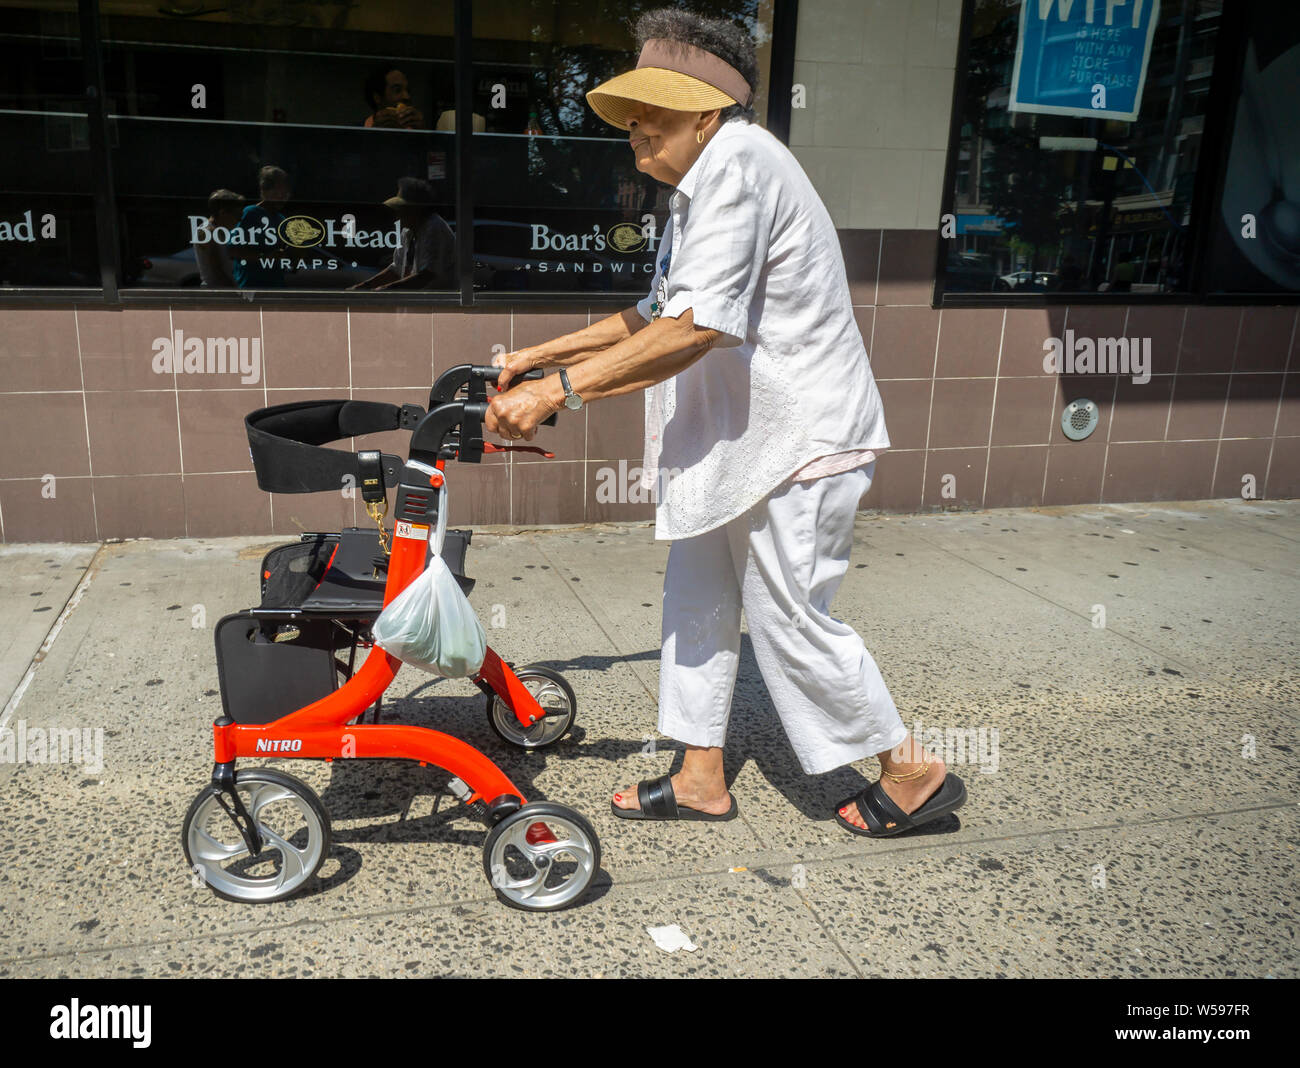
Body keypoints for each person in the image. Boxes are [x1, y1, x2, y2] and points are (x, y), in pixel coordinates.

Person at [483, 8, 967, 838]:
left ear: (707, 111)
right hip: (742, 443)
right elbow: (657, 311)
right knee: (697, 597)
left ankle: (912, 769)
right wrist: (542, 352)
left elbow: (698, 329)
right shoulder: (699, 189)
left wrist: (560, 389)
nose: (635, 129)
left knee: (790, 617)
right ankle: (702, 772)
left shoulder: (740, 165)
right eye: (632, 113)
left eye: (654, 112)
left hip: (799, 441)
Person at [351, 177, 455, 290]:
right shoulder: (408, 231)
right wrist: (363, 286)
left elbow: (427, 275)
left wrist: (385, 289)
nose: (398, 215)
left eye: (402, 209)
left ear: (416, 209)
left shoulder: (435, 227)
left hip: (438, 303)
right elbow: (396, 269)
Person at [232, 165, 291, 289]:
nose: (282, 197)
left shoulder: (282, 219)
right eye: (278, 192)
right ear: (264, 191)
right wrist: (266, 257)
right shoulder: (250, 213)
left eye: (285, 193)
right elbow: (233, 250)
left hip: (276, 289)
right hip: (251, 289)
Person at [193, 188, 243, 287]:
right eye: (236, 214)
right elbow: (217, 270)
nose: (239, 218)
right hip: (218, 293)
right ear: (223, 213)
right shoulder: (207, 232)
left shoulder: (222, 229)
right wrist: (235, 292)